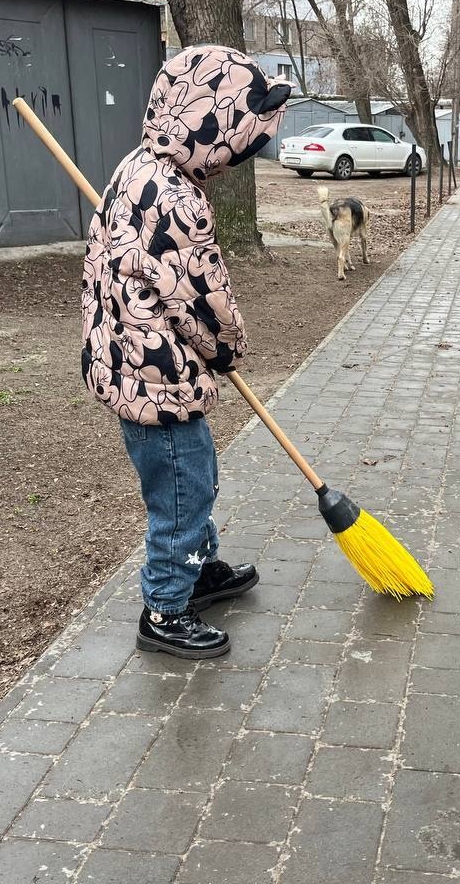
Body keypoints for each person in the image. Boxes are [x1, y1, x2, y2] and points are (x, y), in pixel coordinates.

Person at [83, 44, 291, 659]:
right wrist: (228, 348)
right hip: (157, 376)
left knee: (189, 480)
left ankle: (197, 570)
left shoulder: (137, 169)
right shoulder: (175, 200)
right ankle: (166, 608)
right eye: (234, 148)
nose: (231, 165)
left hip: (132, 362)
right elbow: (202, 298)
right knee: (184, 491)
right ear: (207, 128)